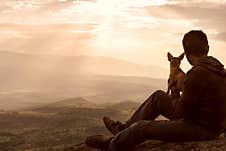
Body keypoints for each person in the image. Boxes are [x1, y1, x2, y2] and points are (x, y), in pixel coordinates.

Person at [85, 30, 226, 151]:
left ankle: (112, 145)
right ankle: (123, 130)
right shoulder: (218, 68)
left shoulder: (197, 73)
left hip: (201, 128)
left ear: (187, 54)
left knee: (141, 128)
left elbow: (179, 113)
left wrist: (175, 90)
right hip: (207, 123)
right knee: (158, 96)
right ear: (207, 48)